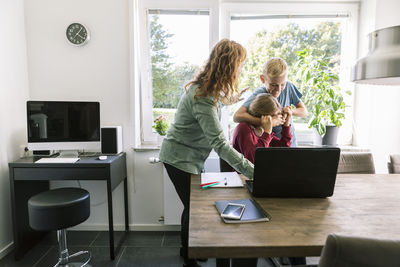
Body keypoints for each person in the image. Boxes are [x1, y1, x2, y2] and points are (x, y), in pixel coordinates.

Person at [159, 39, 254, 267]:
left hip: (189, 158)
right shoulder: (203, 97)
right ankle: (189, 260)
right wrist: (254, 170)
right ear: (229, 66)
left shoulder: (207, 90)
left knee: (190, 207)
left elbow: (213, 105)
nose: (240, 70)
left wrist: (229, 100)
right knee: (193, 209)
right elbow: (220, 144)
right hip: (179, 158)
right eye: (239, 65)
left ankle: (187, 250)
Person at [233, 57, 308, 147]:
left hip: (288, 143)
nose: (278, 90)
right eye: (273, 85)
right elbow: (237, 116)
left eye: (283, 84)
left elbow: (304, 112)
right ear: (262, 79)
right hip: (268, 144)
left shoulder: (289, 87)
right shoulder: (259, 93)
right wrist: (268, 122)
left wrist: (290, 112)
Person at [232, 93, 292, 163]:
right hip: (244, 173)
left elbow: (284, 149)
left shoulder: (261, 130)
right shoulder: (243, 128)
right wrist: (267, 133)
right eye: (276, 116)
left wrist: (286, 124)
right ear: (265, 117)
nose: (278, 119)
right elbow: (253, 160)